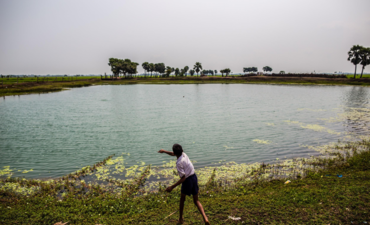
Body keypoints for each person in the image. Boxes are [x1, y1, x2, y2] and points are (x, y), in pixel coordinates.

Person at [158, 144, 210, 225]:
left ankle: (180, 219)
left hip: (188, 180)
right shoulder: (184, 154)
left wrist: (172, 187)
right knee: (196, 200)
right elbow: (173, 153)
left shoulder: (179, 163)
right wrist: (164, 151)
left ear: (175, 153)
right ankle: (205, 218)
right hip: (194, 177)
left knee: (182, 199)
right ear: (182, 150)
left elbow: (183, 178)